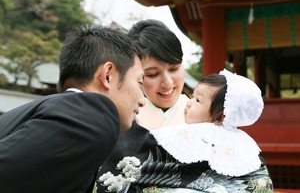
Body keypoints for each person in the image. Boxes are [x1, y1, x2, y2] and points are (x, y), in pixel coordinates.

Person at [0, 25, 146, 193]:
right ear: (107, 75)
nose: (142, 101)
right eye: (140, 83)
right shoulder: (93, 116)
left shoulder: (59, 109)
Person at [98, 70, 274, 192]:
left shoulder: (196, 134)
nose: (189, 102)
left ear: (220, 117)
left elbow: (144, 149)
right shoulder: (246, 144)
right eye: (192, 96)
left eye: (198, 100)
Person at [96, 19, 189, 192]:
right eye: (152, 74)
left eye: (174, 68)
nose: (168, 83)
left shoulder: (206, 116)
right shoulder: (123, 120)